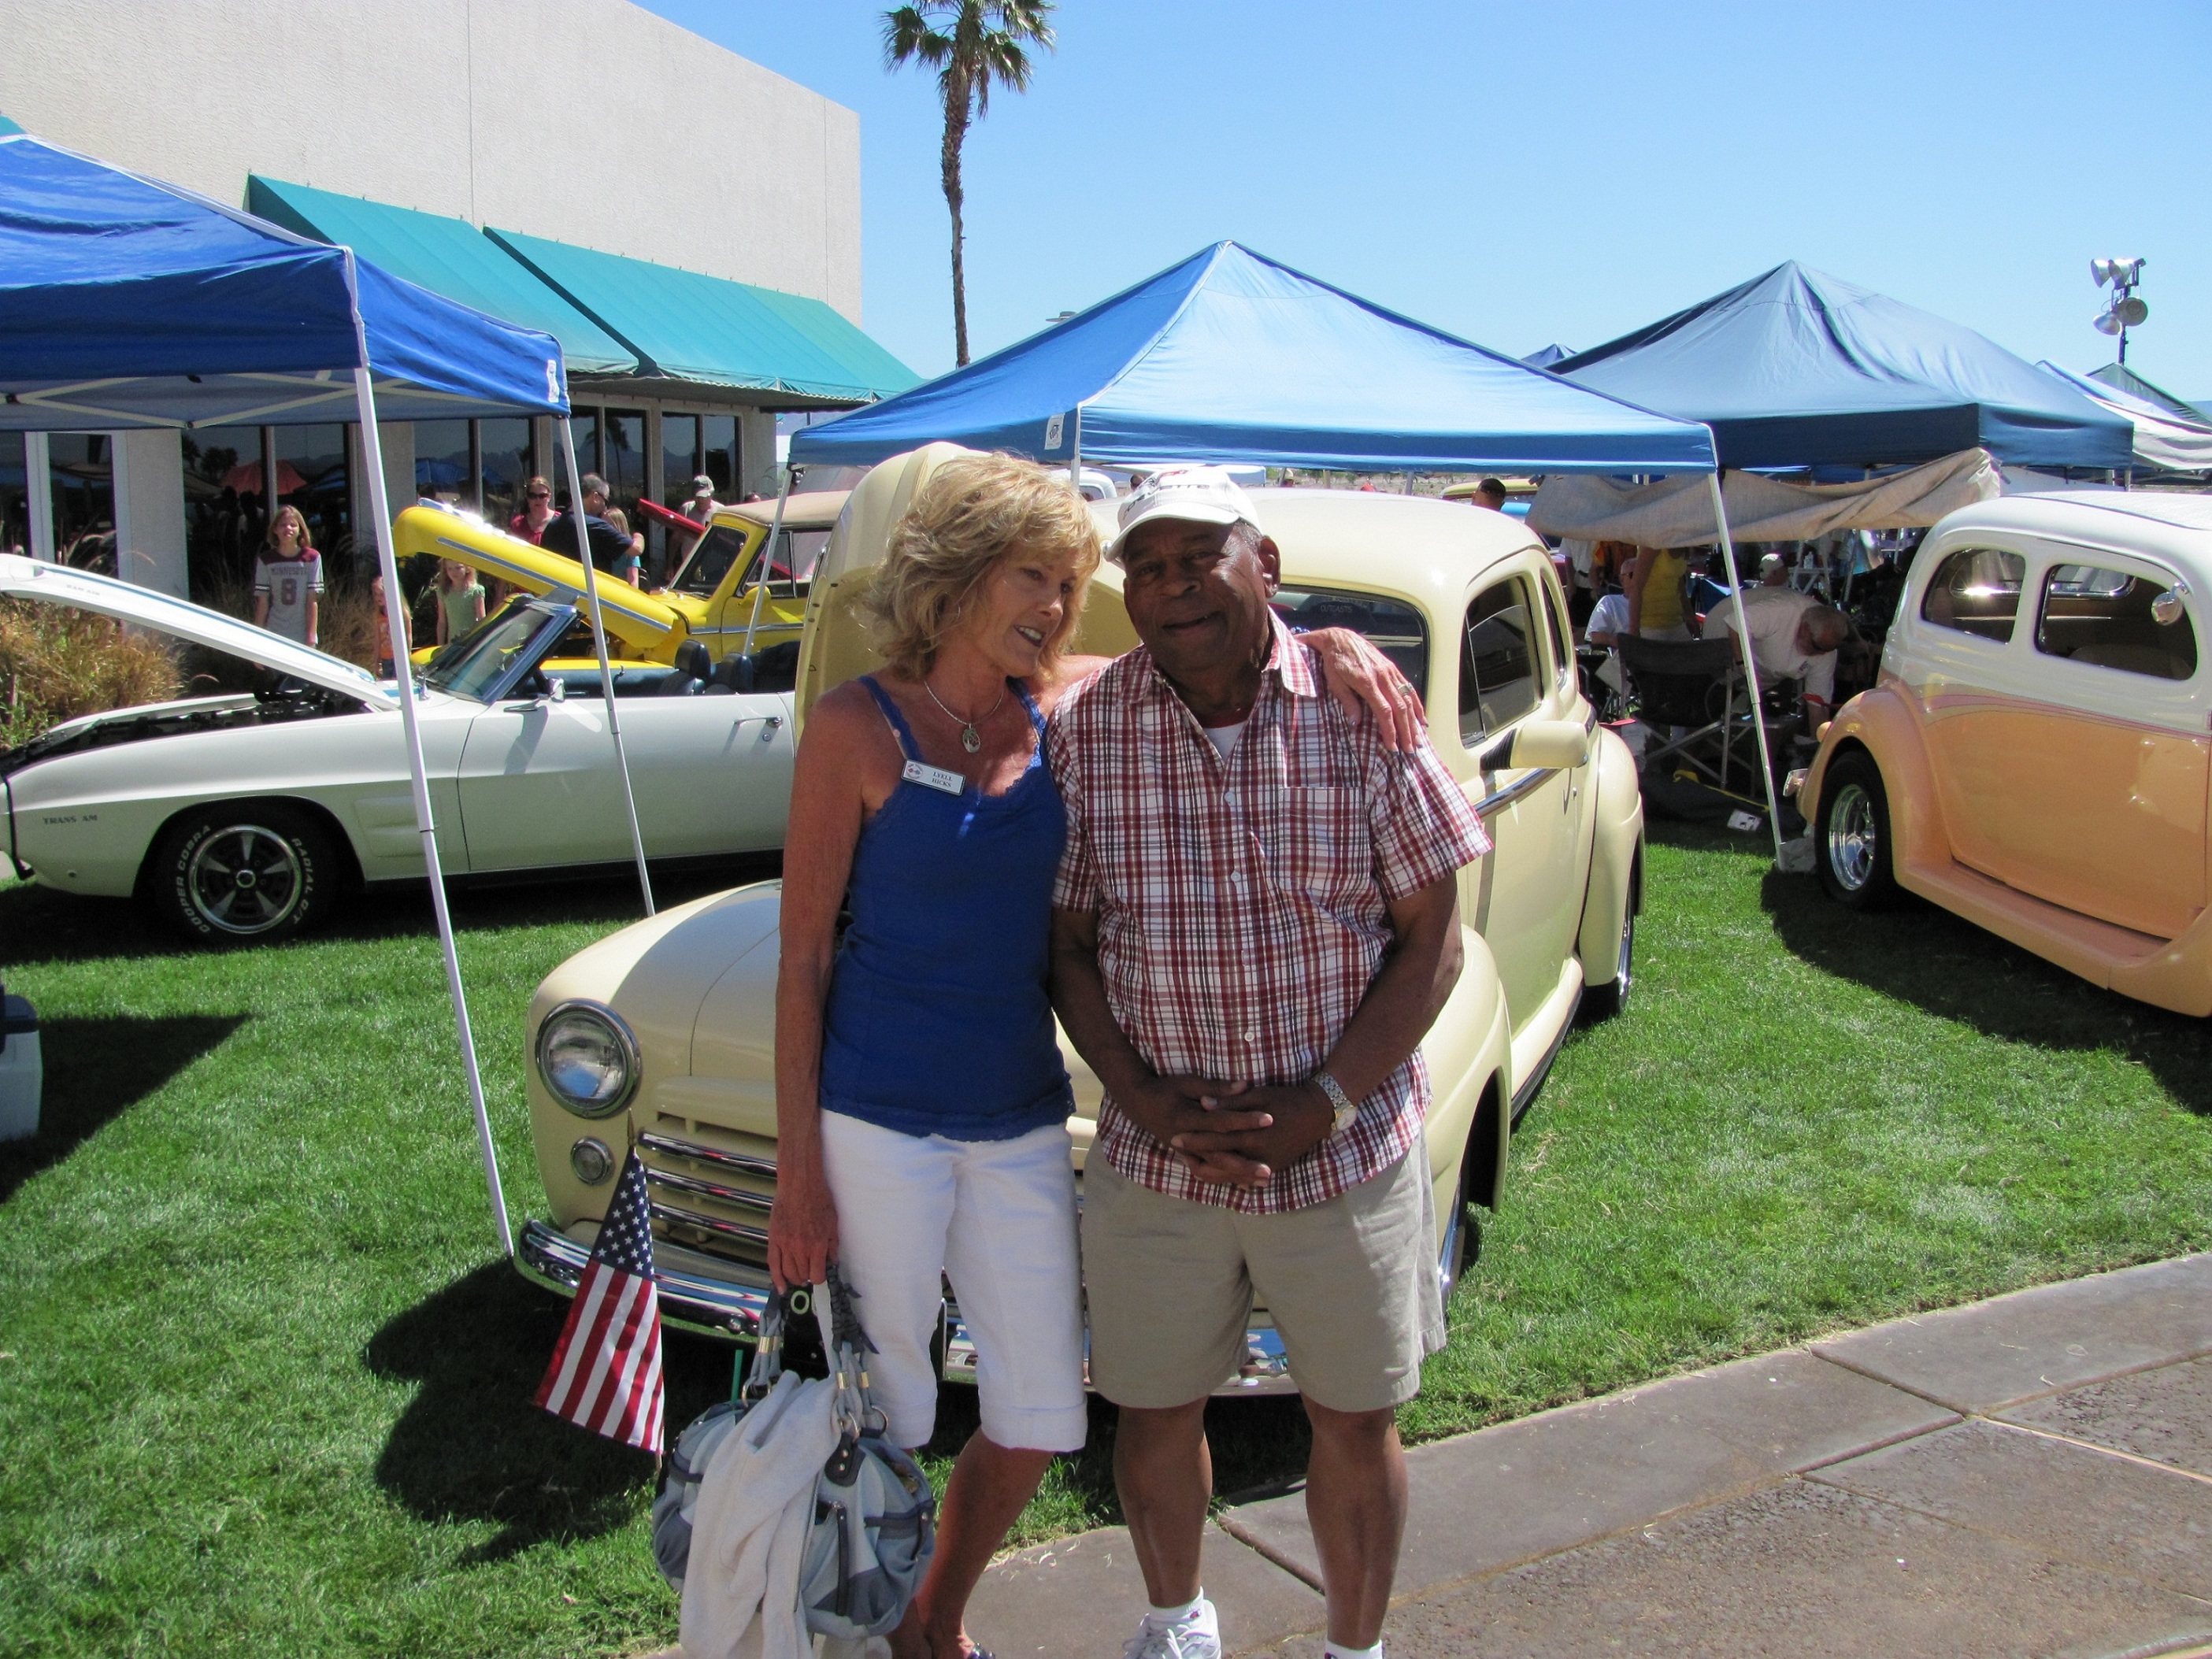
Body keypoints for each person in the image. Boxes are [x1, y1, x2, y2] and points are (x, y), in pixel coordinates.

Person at [767, 456, 1421, 1659]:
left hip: (1016, 1111)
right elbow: (801, 957)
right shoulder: (856, 725)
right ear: (957, 576)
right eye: (1036, 578)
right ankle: (884, 1627)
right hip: (877, 1116)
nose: (1059, 610)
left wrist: (1330, 638)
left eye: (1072, 586)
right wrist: (797, 1174)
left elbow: (1215, 641)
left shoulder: (1066, 707)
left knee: (1041, 1409)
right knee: (893, 1402)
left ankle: (925, 1609)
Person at [1047, 469, 1491, 1659]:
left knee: (1354, 1415)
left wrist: (1326, 1098)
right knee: (1150, 1408)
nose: (1171, 587)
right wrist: (1139, 1098)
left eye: (1200, 558)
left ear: (1267, 564)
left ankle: (1355, 1645)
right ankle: (1175, 1618)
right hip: (1160, 1156)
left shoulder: (1362, 711)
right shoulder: (1092, 729)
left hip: (1343, 1150)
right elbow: (1067, 943)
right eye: (1145, 566)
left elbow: (1431, 939)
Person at [1702, 586, 1851, 730]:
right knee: (1704, 715)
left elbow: (1818, 703)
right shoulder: (1783, 610)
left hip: (1765, 671)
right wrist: (1743, 666)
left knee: (1776, 720)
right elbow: (1736, 624)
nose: (1821, 654)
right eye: (1818, 648)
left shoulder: (1825, 647)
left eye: (1827, 650)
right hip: (1720, 633)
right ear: (1805, 629)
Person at [540, 473, 646, 579]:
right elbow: (636, 549)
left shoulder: (552, 526)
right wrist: (638, 535)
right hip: (592, 592)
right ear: (595, 496)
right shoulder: (596, 526)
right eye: (605, 501)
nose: (605, 507)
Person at [251, 505, 322, 647]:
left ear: (300, 530)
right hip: (275, 631)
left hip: (301, 634)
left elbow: (312, 601)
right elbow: (263, 602)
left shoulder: (312, 558)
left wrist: (311, 635)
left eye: (293, 525)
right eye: (283, 525)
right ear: (275, 529)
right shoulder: (266, 560)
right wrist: (257, 637)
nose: (288, 528)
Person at [1625, 543, 1696, 641]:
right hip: (1652, 625)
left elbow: (1680, 586)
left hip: (1676, 621)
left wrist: (1690, 616)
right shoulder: (1653, 544)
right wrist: (1634, 629)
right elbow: (1636, 587)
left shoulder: (1683, 543)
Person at [1584, 552, 1636, 648]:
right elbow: (1597, 636)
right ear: (1622, 580)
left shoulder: (1656, 603)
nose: (1640, 578)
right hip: (1623, 656)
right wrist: (1628, 644)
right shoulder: (1610, 603)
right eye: (1633, 575)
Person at [433, 557, 486, 646]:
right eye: (450, 569)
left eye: (458, 568)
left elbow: (482, 621)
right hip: (453, 643)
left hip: (471, 643)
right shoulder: (443, 592)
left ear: (468, 568)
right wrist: (440, 646)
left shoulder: (476, 591)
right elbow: (442, 622)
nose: (454, 572)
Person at [371, 569, 410, 680]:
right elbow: (378, 640)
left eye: (382, 594)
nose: (378, 598)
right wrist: (376, 663)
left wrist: (407, 655)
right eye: (376, 594)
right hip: (385, 658)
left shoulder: (402, 613)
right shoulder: (379, 616)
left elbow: (408, 635)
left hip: (398, 658)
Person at [507, 476, 556, 546]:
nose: (537, 499)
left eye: (542, 496)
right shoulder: (518, 524)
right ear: (527, 498)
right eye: (533, 496)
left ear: (549, 497)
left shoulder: (560, 522)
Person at [601, 507, 642, 585]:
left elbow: (633, 581)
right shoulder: (601, 546)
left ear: (618, 526)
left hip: (620, 591)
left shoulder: (630, 549)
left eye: (607, 525)